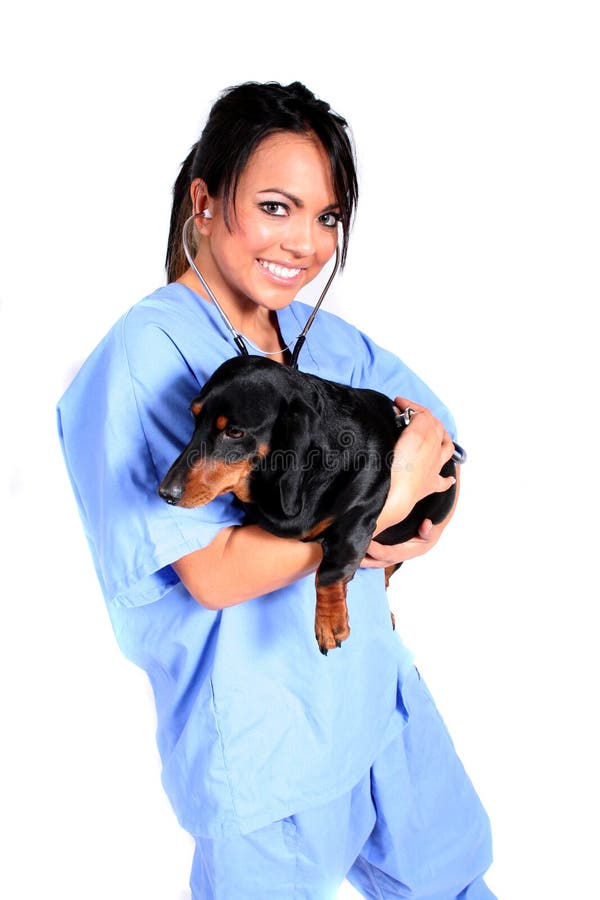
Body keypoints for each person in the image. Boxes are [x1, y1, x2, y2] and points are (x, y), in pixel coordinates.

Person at [57, 81, 495, 899]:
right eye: (275, 206)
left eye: (325, 218)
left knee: (454, 884)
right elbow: (213, 573)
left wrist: (413, 517)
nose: (304, 242)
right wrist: (380, 504)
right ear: (205, 202)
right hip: (267, 736)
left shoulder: (319, 337)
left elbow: (439, 448)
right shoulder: (149, 351)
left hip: (376, 695)